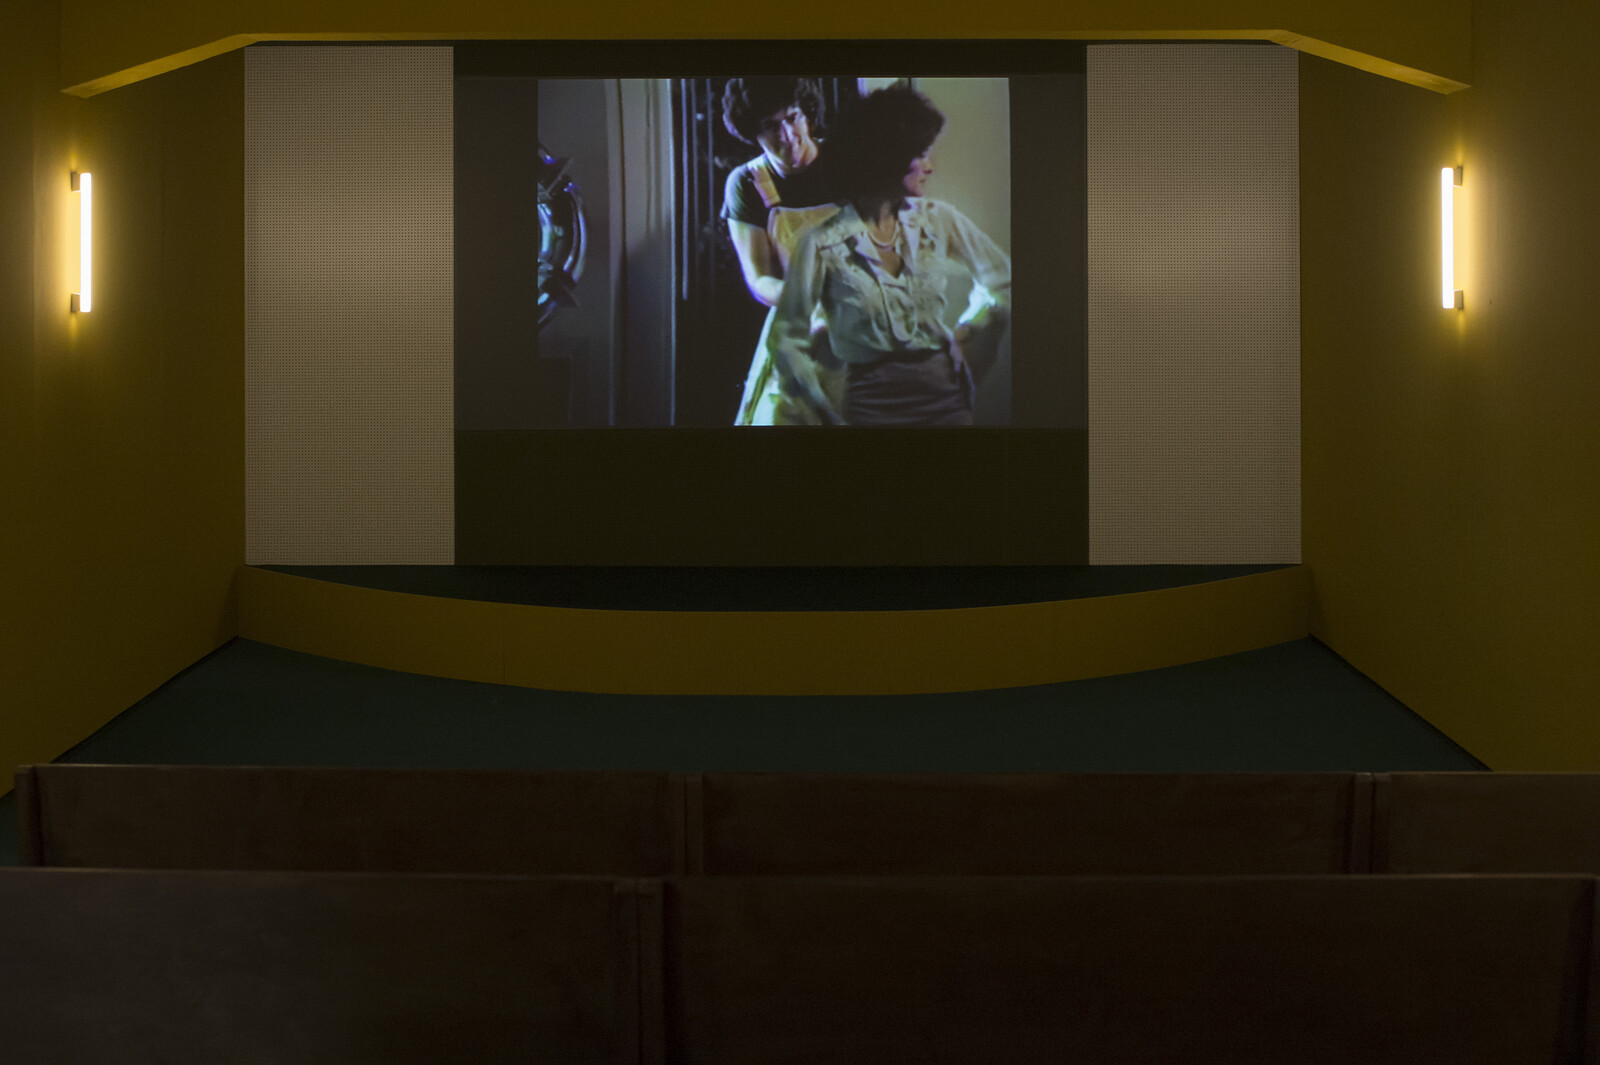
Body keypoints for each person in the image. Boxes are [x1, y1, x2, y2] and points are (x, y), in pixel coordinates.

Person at [767, 86, 1011, 426]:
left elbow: (1002, 278)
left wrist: (968, 329)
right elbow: (785, 340)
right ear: (887, 159)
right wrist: (820, 410)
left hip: (947, 406)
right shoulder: (821, 244)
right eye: (920, 154)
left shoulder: (938, 219)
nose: (930, 167)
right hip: (868, 413)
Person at [720, 77, 838, 424]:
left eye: (792, 117)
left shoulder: (848, 163)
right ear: (752, 132)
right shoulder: (746, 184)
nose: (786, 135)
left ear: (807, 115)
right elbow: (758, 279)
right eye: (770, 126)